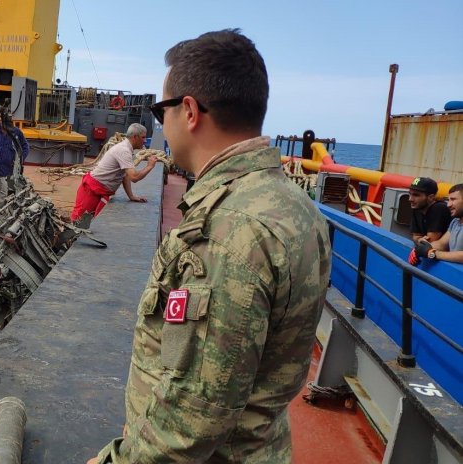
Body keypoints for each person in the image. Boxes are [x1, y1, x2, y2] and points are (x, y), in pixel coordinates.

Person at [89, 29, 331, 463]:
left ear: (189, 111)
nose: (162, 124)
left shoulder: (228, 230)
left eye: (161, 111)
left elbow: (196, 414)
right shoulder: (294, 204)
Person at [69, 123, 157, 227]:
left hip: (99, 190)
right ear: (135, 137)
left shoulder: (126, 149)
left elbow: (125, 175)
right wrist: (149, 166)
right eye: (143, 137)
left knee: (89, 222)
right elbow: (134, 177)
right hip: (92, 190)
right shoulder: (124, 150)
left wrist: (131, 196)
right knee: (78, 222)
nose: (145, 140)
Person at [410, 183, 463, 264]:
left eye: (453, 199)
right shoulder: (455, 222)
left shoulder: (439, 208)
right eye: (448, 200)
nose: (448, 205)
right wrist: (420, 248)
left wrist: (433, 254)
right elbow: (441, 244)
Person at [408, 176, 451, 242]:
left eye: (416, 195)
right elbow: (415, 236)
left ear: (431, 197)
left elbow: (430, 241)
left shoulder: (439, 208)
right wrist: (419, 239)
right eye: (410, 194)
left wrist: (419, 240)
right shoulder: (417, 208)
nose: (410, 199)